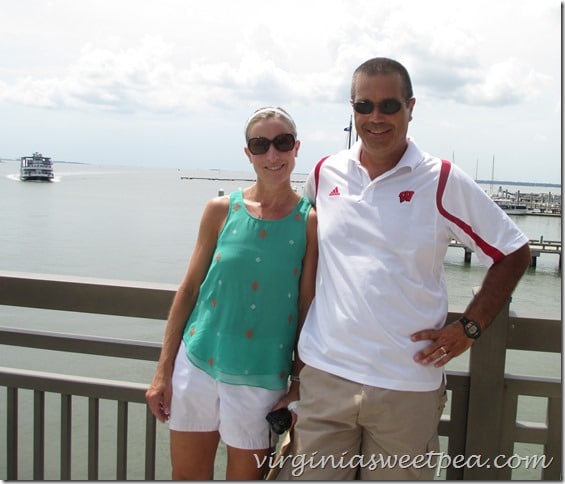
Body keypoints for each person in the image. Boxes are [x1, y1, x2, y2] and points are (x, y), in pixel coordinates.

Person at [277, 57, 531, 480]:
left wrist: (470, 327)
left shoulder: (442, 179)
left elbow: (513, 251)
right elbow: (298, 252)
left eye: (389, 106)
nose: (375, 117)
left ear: (411, 107)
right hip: (326, 377)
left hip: (407, 386)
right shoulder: (324, 173)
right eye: (364, 106)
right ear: (352, 110)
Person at [145, 106, 317, 480]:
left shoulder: (309, 222)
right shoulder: (220, 210)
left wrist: (299, 382)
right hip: (198, 364)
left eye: (282, 143)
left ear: (296, 148)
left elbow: (307, 309)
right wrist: (163, 372)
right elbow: (189, 290)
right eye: (261, 145)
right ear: (248, 154)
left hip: (263, 377)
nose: (272, 155)